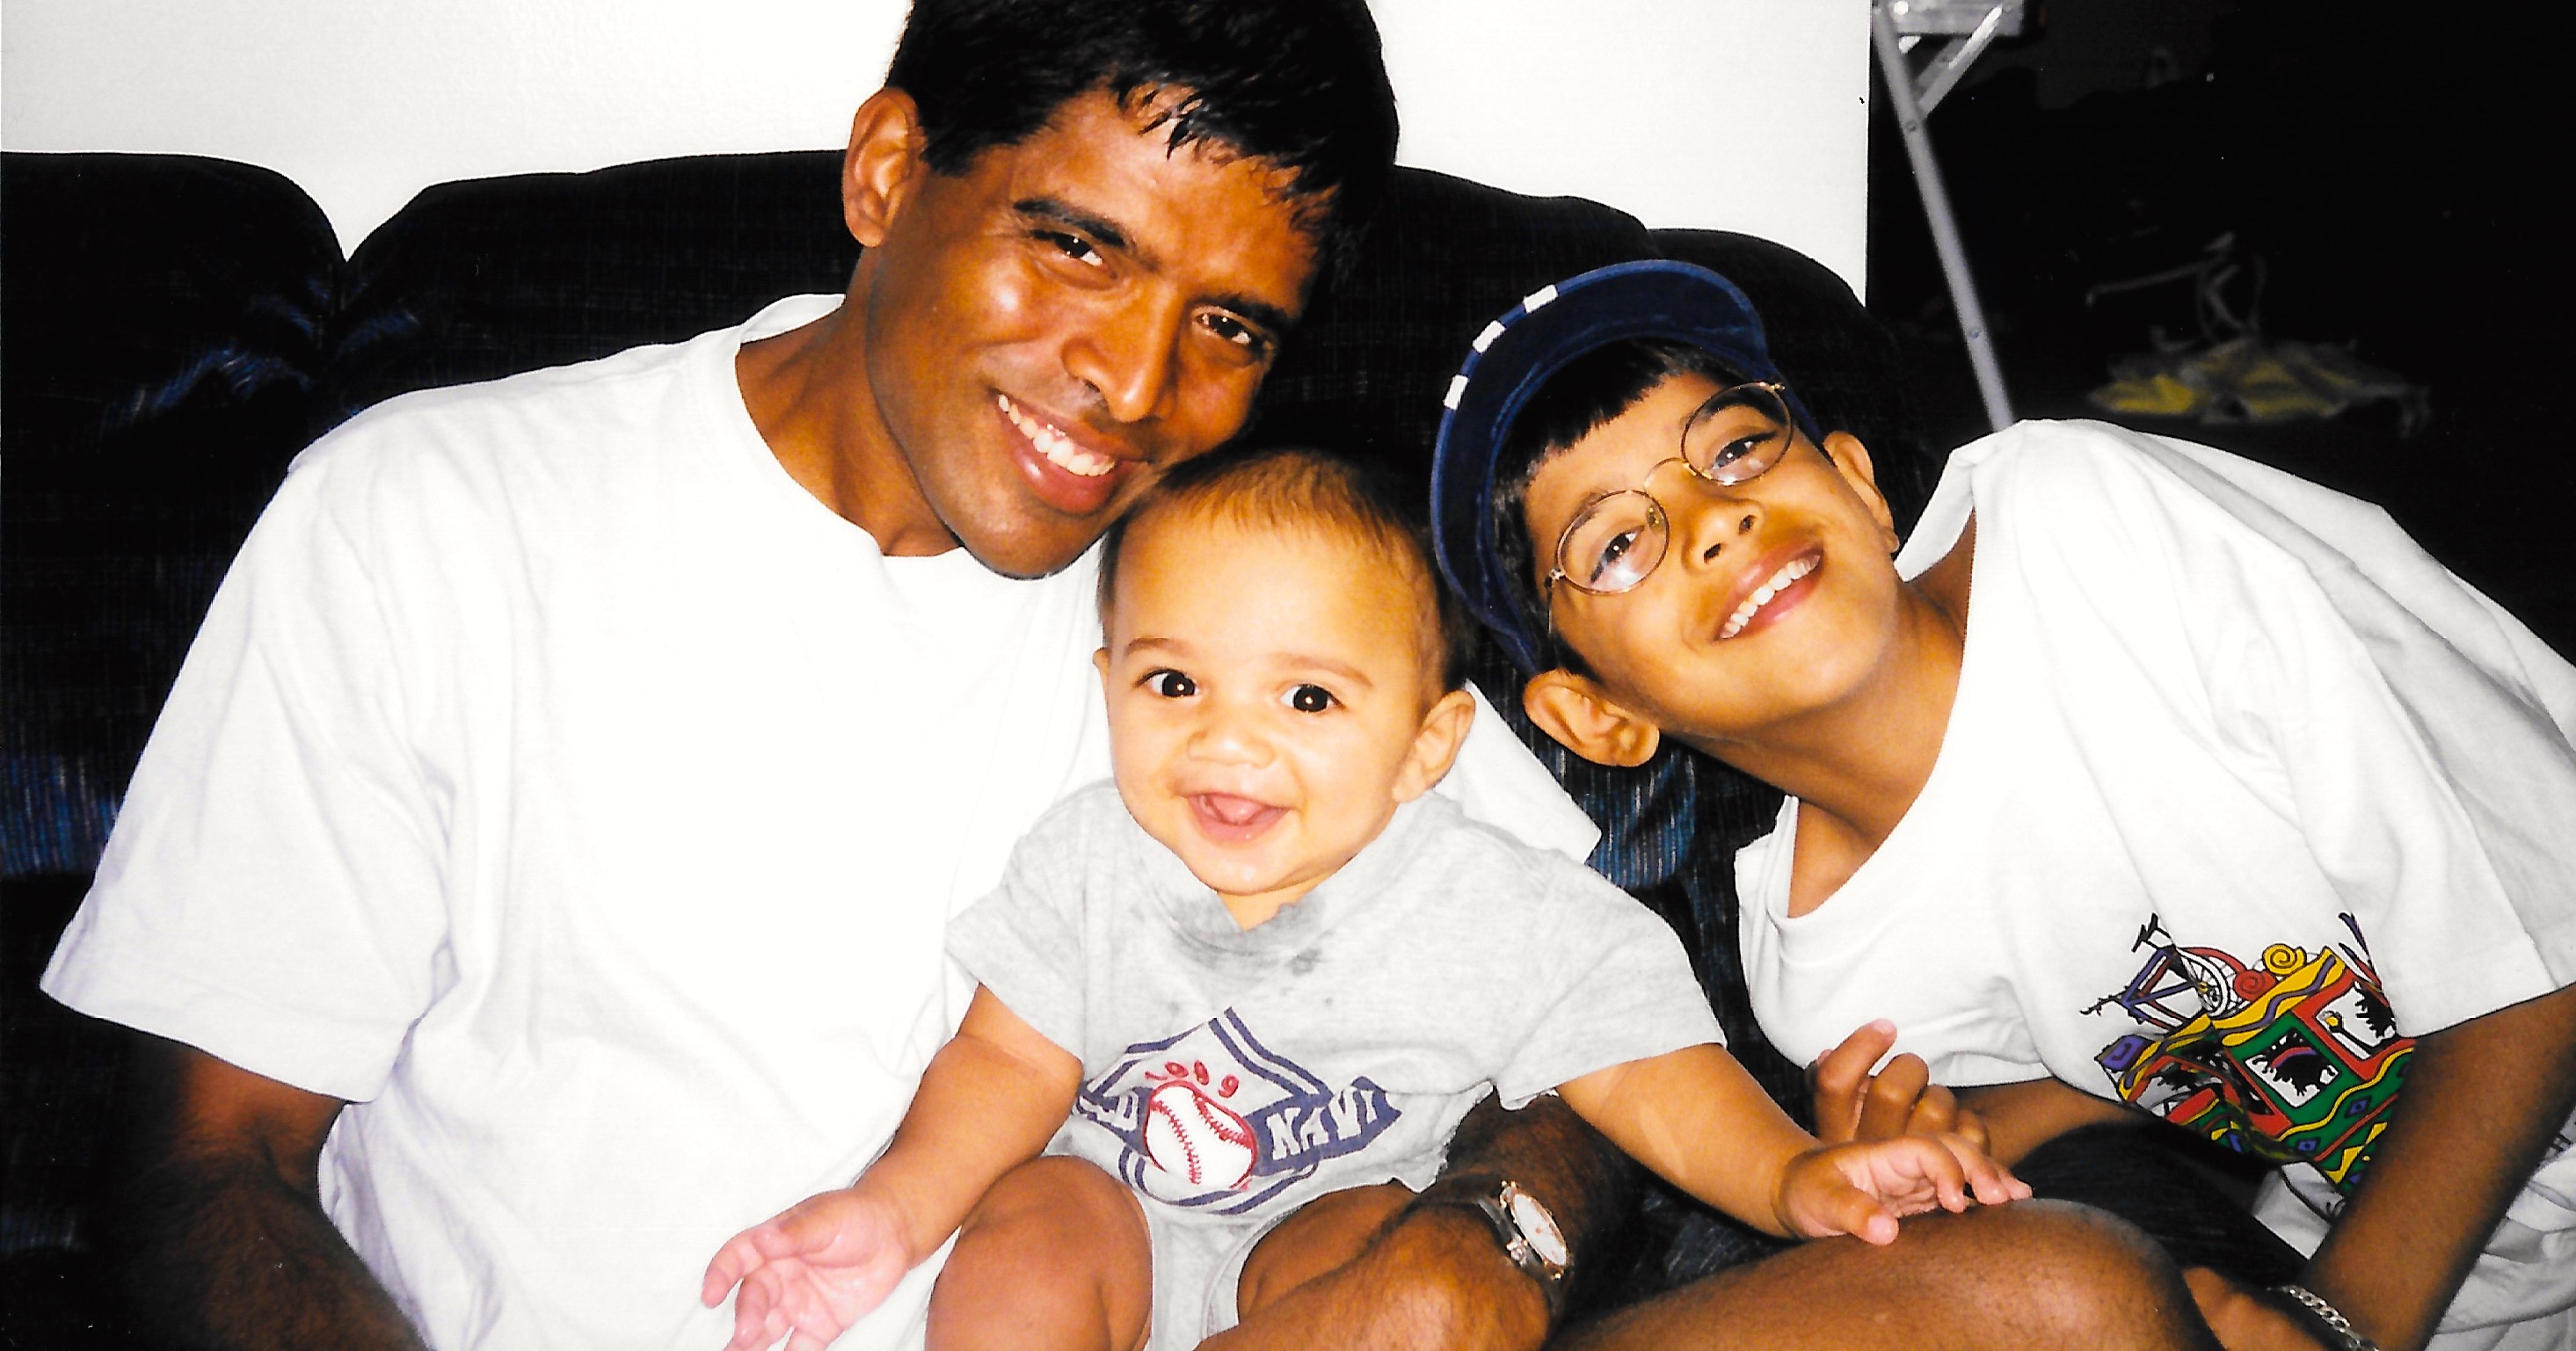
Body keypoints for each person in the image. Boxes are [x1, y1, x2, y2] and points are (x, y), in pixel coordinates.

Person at [41, 0, 2216, 1351]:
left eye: (1230, 323)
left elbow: (1569, 1002)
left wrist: (1492, 1237)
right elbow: (207, 1170)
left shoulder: (1249, 580)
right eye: (1075, 247)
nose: (1134, 385)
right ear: (888, 173)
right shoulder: (432, 517)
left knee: (2067, 1300)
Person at [1430, 258, 2576, 1351]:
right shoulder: (1824, 976)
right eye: (1616, 543)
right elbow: (2143, 1053)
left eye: (1733, 447)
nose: (1712, 518)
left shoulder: (2093, 532)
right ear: (1595, 718)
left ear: (1859, 485)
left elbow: (2542, 932)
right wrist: (1959, 1141)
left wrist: (2343, 1319)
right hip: (2477, 1286)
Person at [701, 448, 2026, 1351]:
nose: (1228, 741)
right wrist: (887, 1215)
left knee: (1365, 1242)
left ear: (1426, 745)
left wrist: (1791, 1176)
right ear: (1107, 683)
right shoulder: (1091, 857)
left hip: (1319, 1252)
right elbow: (1003, 1061)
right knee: (1037, 1215)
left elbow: (1644, 1070)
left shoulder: (1490, 905)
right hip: (1113, 1223)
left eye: (1308, 697)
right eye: (1174, 685)